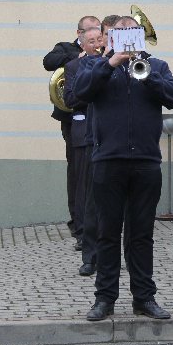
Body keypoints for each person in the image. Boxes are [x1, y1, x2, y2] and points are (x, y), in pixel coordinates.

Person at [74, 16, 173, 321]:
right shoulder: (93, 64)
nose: (125, 39)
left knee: (141, 235)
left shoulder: (156, 65)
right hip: (107, 161)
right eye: (119, 34)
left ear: (139, 36)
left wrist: (147, 74)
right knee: (107, 234)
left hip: (146, 162)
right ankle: (104, 299)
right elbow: (79, 92)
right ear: (110, 38)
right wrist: (110, 63)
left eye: (131, 34)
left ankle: (144, 298)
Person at [43, 15, 101, 245]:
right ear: (80, 34)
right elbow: (48, 61)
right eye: (90, 33)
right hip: (72, 119)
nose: (96, 38)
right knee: (77, 172)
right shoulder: (66, 48)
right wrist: (77, 57)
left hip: (96, 119)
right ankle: (78, 224)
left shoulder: (103, 54)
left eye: (98, 32)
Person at [62, 26, 103, 277]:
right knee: (85, 192)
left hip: (107, 135)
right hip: (85, 134)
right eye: (92, 41)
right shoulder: (74, 66)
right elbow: (70, 99)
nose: (97, 44)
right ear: (83, 44)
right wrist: (92, 91)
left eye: (100, 39)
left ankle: (107, 251)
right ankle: (85, 243)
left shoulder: (114, 63)